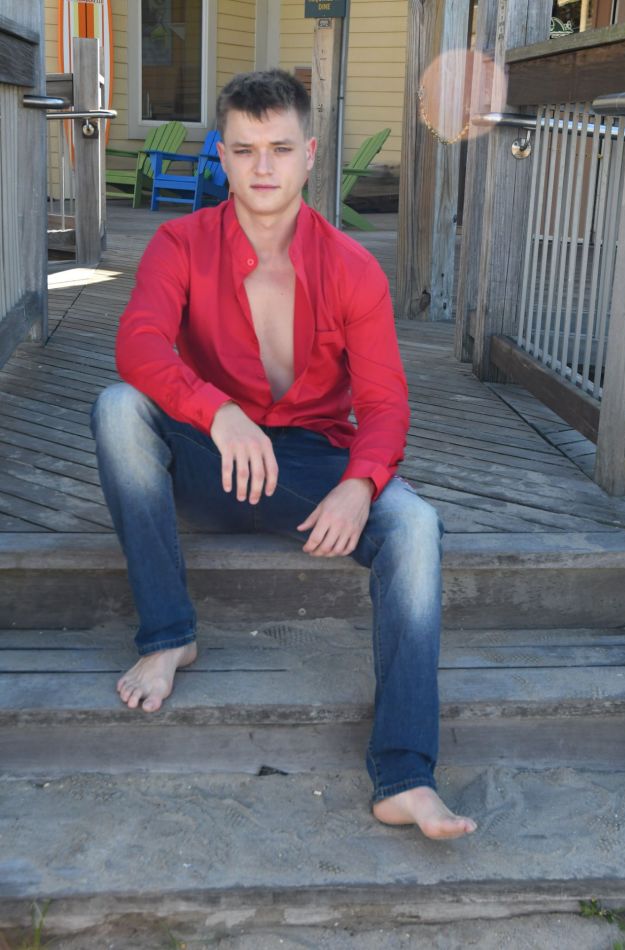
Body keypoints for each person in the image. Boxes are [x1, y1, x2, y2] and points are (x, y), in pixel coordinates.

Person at [90, 69, 476, 841]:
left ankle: (404, 775)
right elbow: (138, 344)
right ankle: (169, 635)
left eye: (279, 149)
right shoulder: (179, 244)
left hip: (307, 466)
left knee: (415, 526)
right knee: (118, 407)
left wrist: (360, 485)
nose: (261, 167)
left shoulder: (352, 268)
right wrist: (218, 412)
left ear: (309, 153)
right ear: (222, 156)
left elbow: (384, 404)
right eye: (243, 150)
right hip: (210, 460)